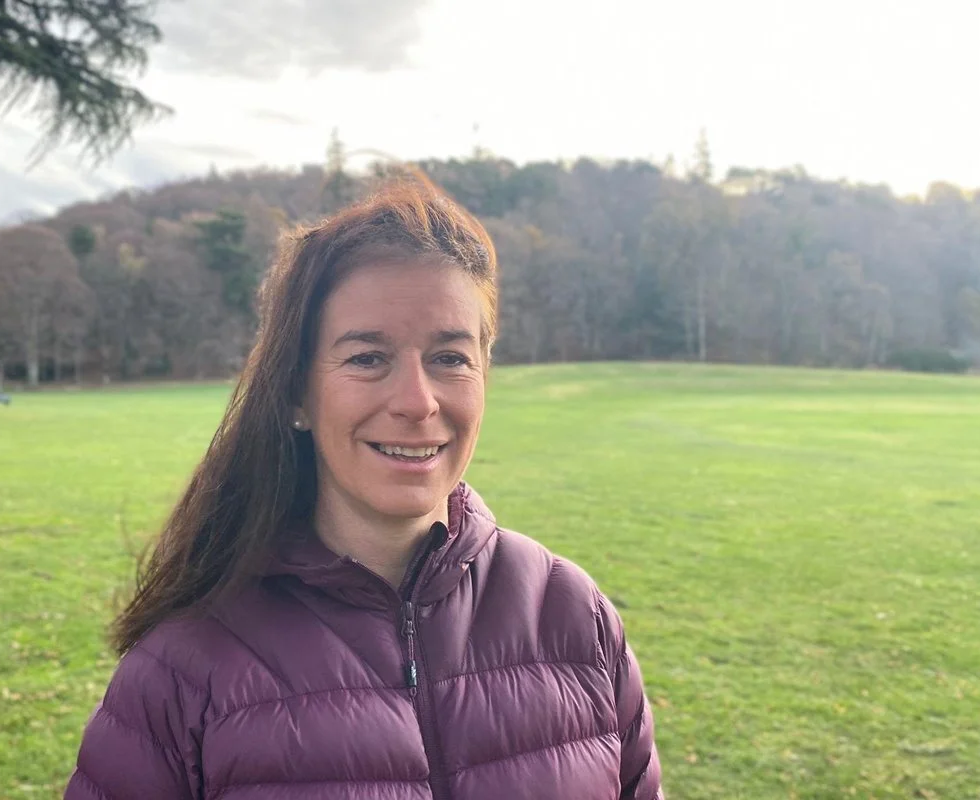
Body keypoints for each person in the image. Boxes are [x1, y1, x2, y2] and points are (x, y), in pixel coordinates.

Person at [64, 174, 663, 800]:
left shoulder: (572, 614)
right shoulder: (186, 666)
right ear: (297, 392)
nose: (417, 401)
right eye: (367, 358)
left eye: (450, 358)